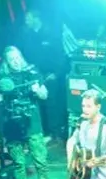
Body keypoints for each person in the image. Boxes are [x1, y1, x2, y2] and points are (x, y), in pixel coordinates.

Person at [0, 47, 64, 179]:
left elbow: (45, 94)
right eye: (11, 59)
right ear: (6, 62)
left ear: (21, 57)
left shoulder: (32, 72)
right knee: (18, 163)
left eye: (17, 57)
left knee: (40, 161)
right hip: (12, 127)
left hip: (33, 125)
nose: (15, 61)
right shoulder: (2, 78)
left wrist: (39, 91)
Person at [15, 10, 68, 141]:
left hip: (50, 75)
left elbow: (61, 55)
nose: (26, 21)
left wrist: (56, 73)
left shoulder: (51, 34)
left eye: (28, 18)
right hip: (33, 74)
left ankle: (54, 132)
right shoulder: (27, 35)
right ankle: (41, 131)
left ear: (36, 18)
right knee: (36, 103)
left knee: (51, 103)